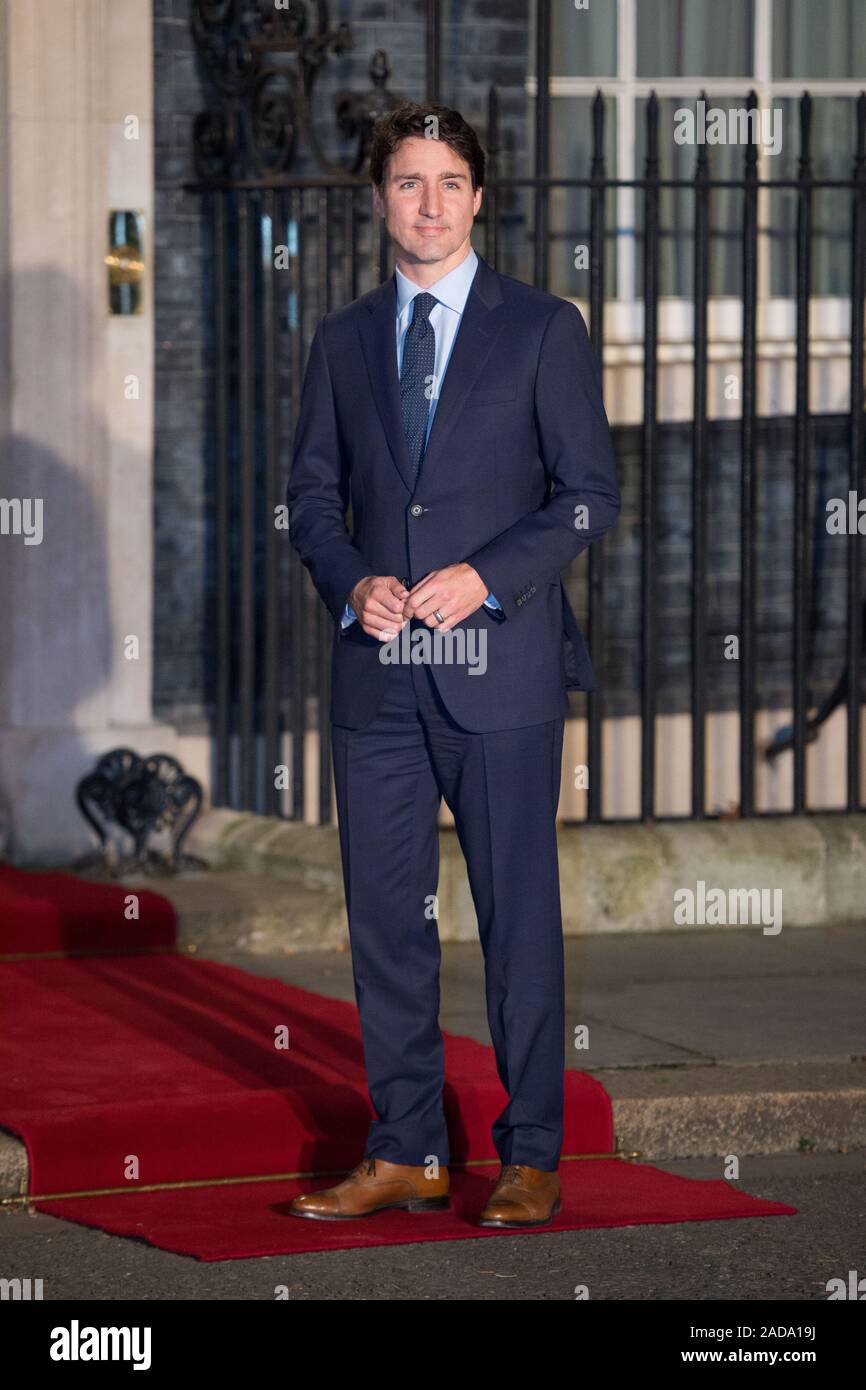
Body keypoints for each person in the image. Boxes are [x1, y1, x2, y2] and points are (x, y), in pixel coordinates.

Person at [286, 100, 620, 1227]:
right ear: (379, 197)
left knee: (516, 915)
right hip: (376, 677)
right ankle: (406, 1150)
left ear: (478, 197)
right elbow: (309, 501)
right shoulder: (341, 341)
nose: (426, 203)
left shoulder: (541, 328)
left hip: (502, 672)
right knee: (386, 921)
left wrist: (486, 575)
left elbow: (587, 496)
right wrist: (351, 581)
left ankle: (528, 1152)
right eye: (405, 182)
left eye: (447, 182)